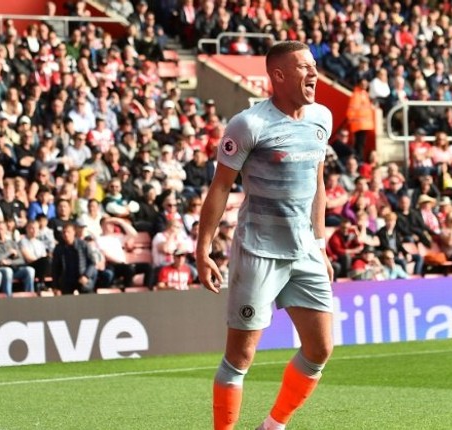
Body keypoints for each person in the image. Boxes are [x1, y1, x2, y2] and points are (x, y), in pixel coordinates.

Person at [195, 41, 334, 430]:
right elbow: (220, 188)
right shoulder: (248, 125)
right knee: (240, 357)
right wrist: (203, 249)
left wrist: (320, 245)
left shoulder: (322, 117)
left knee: (320, 349)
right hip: (259, 251)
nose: (313, 73)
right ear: (278, 75)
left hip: (305, 251)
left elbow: (317, 184)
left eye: (314, 65)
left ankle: (273, 426)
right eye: (304, 67)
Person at [51, 222, 98, 295]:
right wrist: (55, 286)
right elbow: (55, 268)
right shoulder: (59, 248)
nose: (66, 234)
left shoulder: (83, 245)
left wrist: (86, 276)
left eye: (68, 232)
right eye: (64, 232)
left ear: (74, 232)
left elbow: (92, 262)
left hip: (82, 278)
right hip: (66, 280)